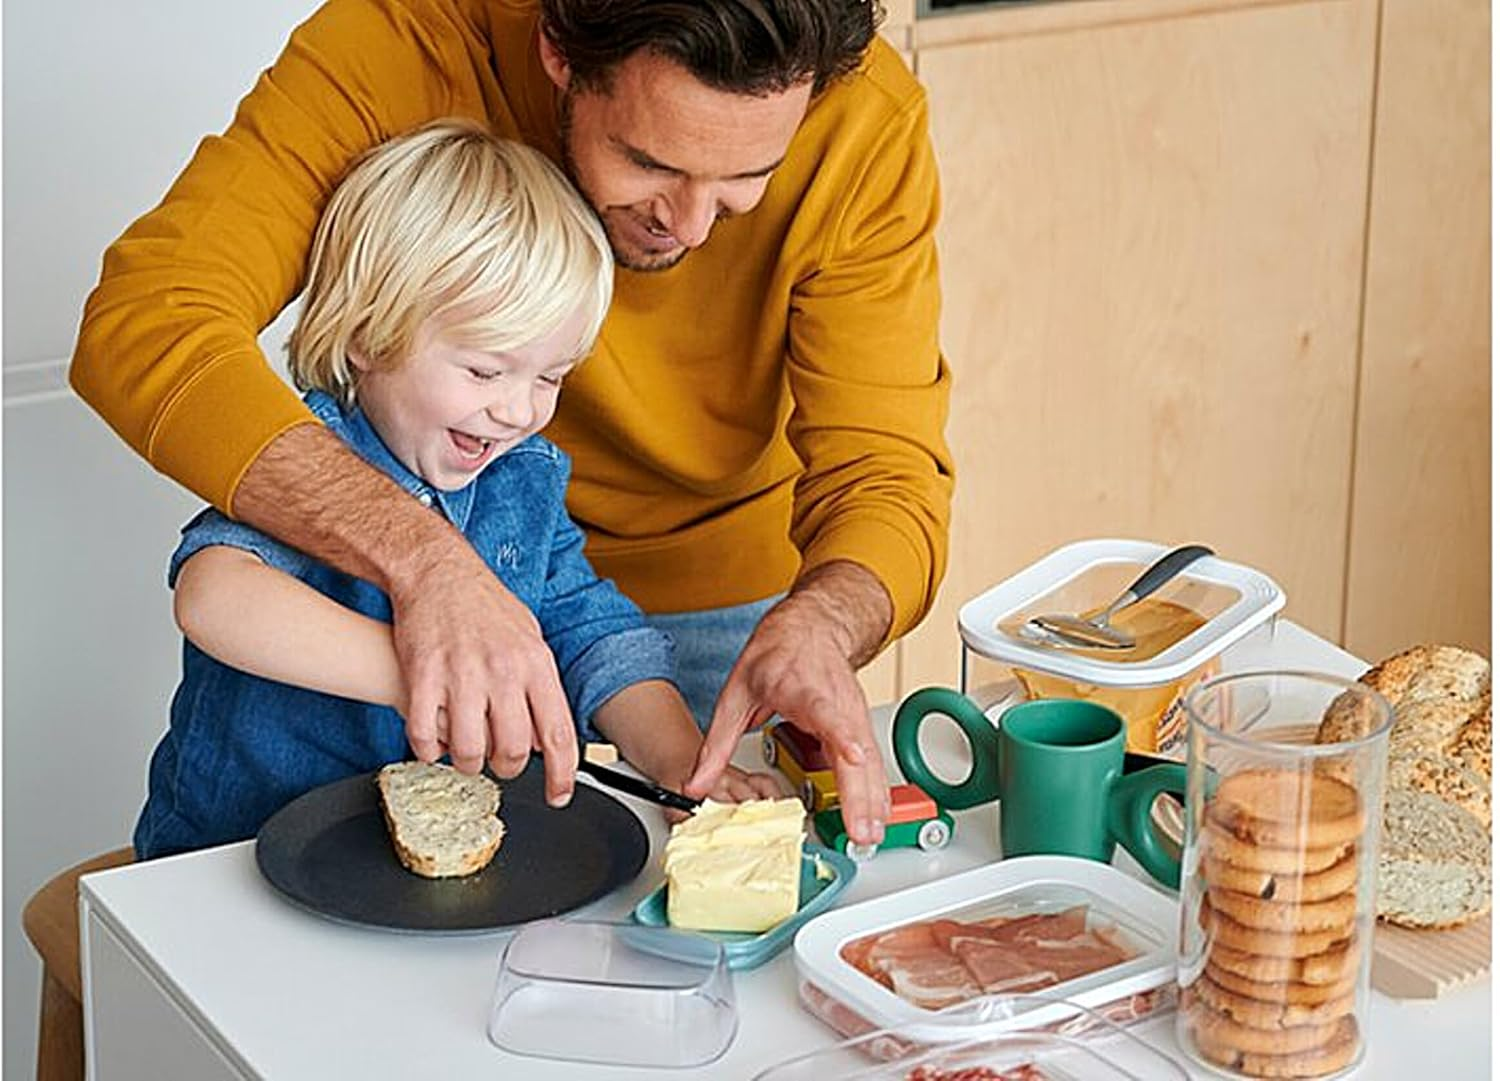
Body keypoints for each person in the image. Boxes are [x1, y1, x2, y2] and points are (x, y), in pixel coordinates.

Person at [73, 0, 953, 847]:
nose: (689, 226)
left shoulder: (862, 116)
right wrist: (428, 575)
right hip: (362, 757)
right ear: (560, 51)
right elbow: (155, 319)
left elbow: (883, 473)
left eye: (743, 182)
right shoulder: (405, 36)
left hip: (677, 631)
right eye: (648, 162)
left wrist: (815, 632)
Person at [135, 121, 780, 857]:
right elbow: (214, 597)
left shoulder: (522, 476)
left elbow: (596, 634)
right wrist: (436, 675)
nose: (518, 409)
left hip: (416, 874)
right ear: (369, 338)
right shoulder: (311, 457)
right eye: (484, 370)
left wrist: (681, 765)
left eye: (550, 377)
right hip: (226, 864)